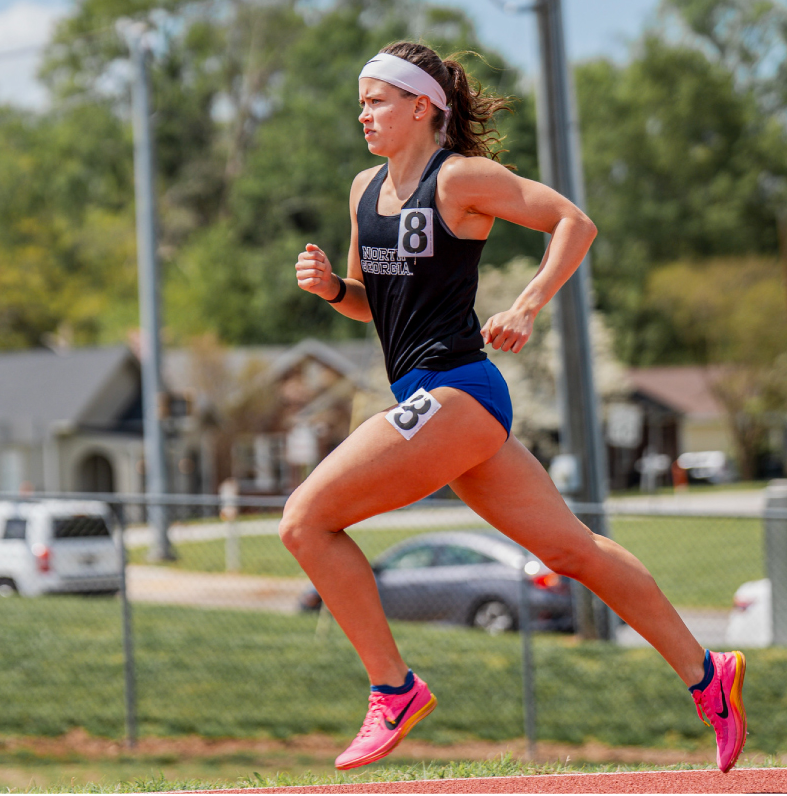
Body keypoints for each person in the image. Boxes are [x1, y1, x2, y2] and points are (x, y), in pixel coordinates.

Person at [284, 40, 747, 773]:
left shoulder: (462, 178)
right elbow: (377, 305)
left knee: (305, 520)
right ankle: (706, 672)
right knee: (571, 551)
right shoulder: (362, 190)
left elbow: (574, 221)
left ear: (420, 106)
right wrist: (331, 290)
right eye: (361, 103)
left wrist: (528, 303)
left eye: (376, 101)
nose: (363, 115)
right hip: (428, 398)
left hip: (460, 390)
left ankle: (392, 689)